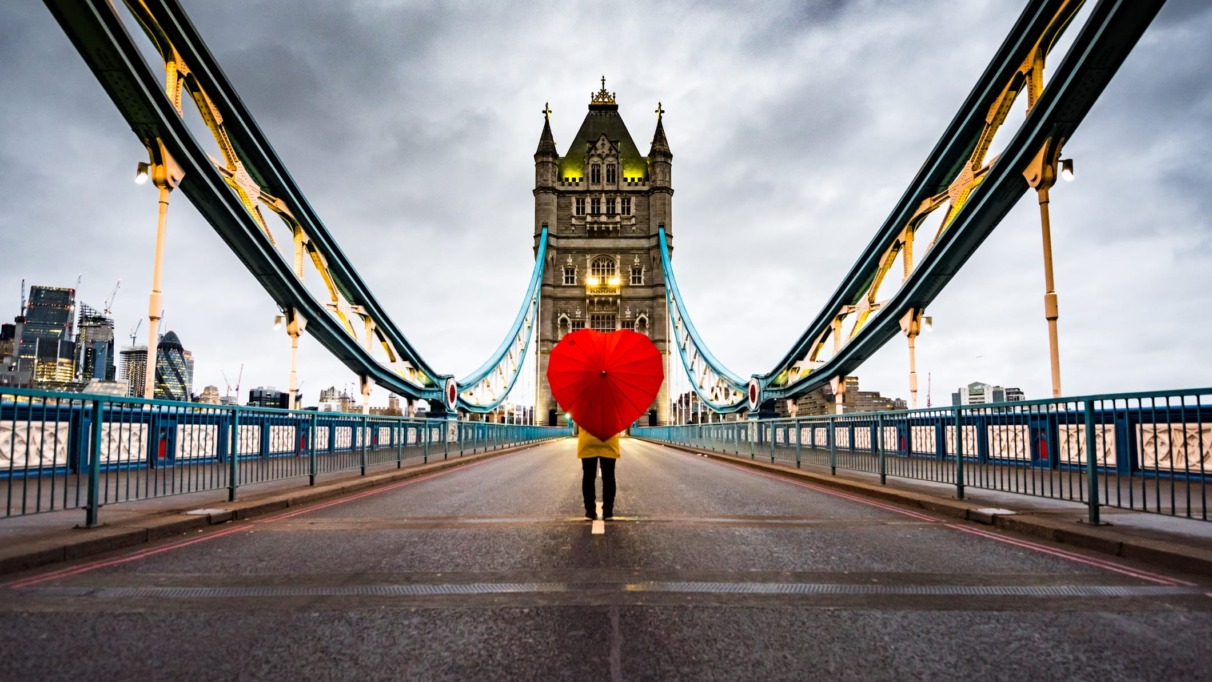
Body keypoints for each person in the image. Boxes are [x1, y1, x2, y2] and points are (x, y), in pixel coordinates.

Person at [577, 426, 620, 520]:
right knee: (609, 477)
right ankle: (608, 511)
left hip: (588, 440)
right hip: (609, 440)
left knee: (588, 476)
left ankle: (590, 511)